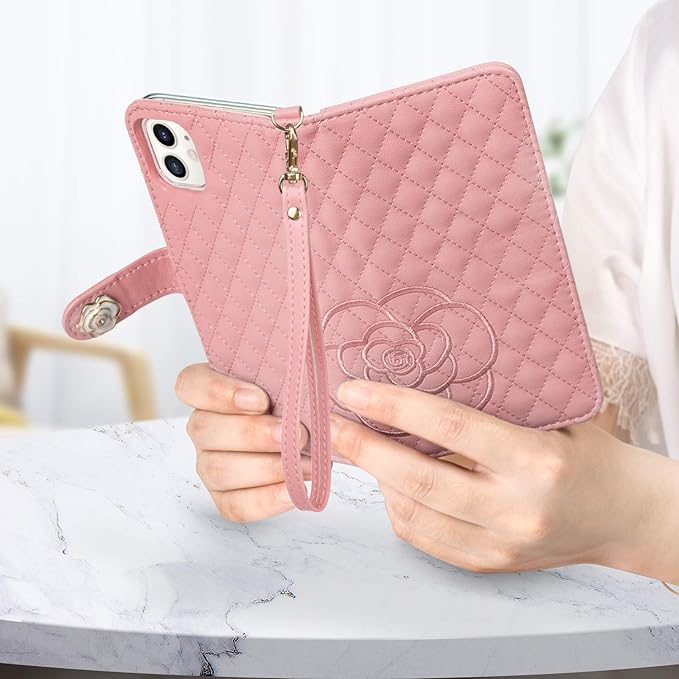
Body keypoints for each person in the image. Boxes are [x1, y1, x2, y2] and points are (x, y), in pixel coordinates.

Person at [175, 0, 679, 588]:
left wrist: (641, 520)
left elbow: (610, 496)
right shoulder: (661, 51)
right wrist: (284, 426)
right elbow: (593, 422)